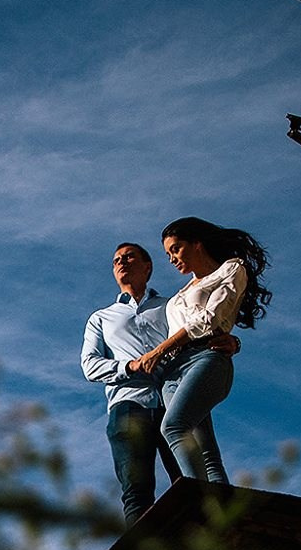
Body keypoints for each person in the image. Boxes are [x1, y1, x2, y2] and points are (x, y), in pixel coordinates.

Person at [82, 242, 229, 525]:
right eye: (116, 261)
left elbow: (202, 330)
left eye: (129, 257)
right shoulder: (101, 318)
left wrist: (231, 342)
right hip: (129, 407)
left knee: (193, 481)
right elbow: (90, 365)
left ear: (148, 266)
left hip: (176, 400)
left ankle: (210, 548)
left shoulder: (171, 306)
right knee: (136, 492)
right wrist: (130, 366)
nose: (121, 262)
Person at [126, 217, 272, 485]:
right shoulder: (181, 293)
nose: (172, 258)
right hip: (172, 373)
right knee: (206, 453)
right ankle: (221, 518)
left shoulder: (231, 269)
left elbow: (209, 319)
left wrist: (158, 351)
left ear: (197, 244)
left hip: (206, 358)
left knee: (173, 427)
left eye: (176, 248)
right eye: (168, 253)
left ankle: (198, 503)